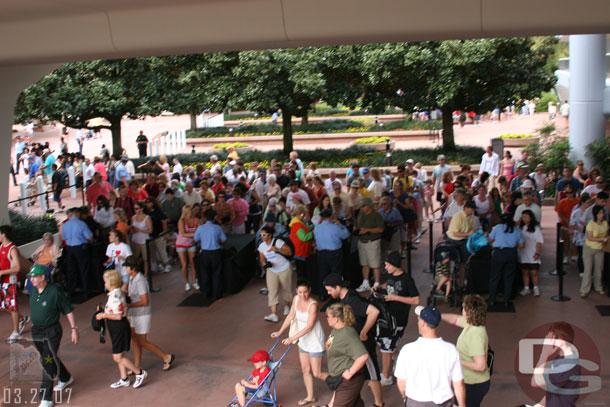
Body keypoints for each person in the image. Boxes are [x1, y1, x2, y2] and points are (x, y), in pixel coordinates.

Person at [324, 273, 383, 407]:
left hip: (362, 344)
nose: (328, 293)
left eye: (329, 290)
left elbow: (374, 311)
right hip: (352, 345)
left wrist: (363, 332)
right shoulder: (345, 299)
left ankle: (379, 404)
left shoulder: (352, 301)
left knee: (372, 375)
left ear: (338, 287)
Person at [28, 265, 78, 407]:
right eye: (31, 277)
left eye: (34, 277)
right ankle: (65, 377)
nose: (31, 279)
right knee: (50, 357)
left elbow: (68, 310)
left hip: (51, 331)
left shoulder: (54, 291)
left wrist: (74, 329)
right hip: (36, 331)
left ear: (42, 277)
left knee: (47, 362)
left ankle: (46, 398)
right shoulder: (33, 290)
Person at [395, 305, 465, 407]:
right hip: (443, 402)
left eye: (419, 319)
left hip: (415, 402)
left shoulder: (407, 350)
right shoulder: (451, 350)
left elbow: (401, 382)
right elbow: (459, 384)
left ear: (423, 323)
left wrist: (404, 396)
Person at [271, 280, 326, 406]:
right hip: (303, 339)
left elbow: (309, 327)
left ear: (309, 290)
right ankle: (310, 396)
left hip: (314, 339)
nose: (303, 295)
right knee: (305, 369)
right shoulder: (296, 299)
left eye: (305, 292)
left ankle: (339, 383)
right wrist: (280, 332)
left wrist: (291, 338)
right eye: (300, 292)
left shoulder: (313, 304)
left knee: (317, 372)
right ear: (296, 291)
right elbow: (290, 316)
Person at [372, 251, 420, 386]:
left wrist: (395, 298)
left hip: (398, 319)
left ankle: (386, 376)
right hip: (387, 316)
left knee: (386, 345)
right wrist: (379, 287)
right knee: (380, 341)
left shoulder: (407, 280)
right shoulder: (391, 275)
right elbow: (388, 284)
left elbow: (416, 300)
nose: (385, 268)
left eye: (388, 265)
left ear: (395, 265)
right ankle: (396, 357)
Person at [96, 269, 148, 389]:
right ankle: (123, 378)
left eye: (106, 282)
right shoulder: (119, 292)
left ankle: (139, 373)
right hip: (119, 327)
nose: (105, 284)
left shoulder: (114, 296)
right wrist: (105, 309)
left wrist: (103, 315)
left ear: (111, 283)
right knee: (120, 353)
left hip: (118, 327)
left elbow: (118, 315)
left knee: (117, 357)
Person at [123, 257, 174, 373]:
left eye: (127, 266)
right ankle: (137, 365)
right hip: (134, 314)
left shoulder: (140, 281)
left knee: (141, 341)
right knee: (135, 340)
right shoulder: (132, 278)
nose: (125, 268)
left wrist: (129, 305)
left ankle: (166, 357)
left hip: (142, 314)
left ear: (133, 268)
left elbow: (144, 301)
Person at [440, 295, 490, 407]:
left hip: (474, 384)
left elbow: (480, 366)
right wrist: (439, 316)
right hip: (470, 381)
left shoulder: (475, 335)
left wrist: (456, 360)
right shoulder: (471, 323)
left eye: (464, 308)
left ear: (468, 312)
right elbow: (455, 319)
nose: (461, 310)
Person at [322, 303, 370, 407]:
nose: (326, 318)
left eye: (328, 316)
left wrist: (350, 372)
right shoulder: (336, 330)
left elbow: (363, 356)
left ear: (335, 319)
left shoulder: (347, 333)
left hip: (349, 382)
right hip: (340, 380)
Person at [530, 322, 580, 407]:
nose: (546, 342)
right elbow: (553, 389)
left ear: (561, 341)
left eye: (550, 338)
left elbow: (535, 382)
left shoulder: (566, 366)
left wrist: (544, 354)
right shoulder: (562, 359)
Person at [487, 213, 525, 307]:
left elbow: (490, 240)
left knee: (495, 277)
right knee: (509, 277)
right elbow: (522, 245)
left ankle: (492, 299)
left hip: (499, 253)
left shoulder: (498, 228)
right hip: (511, 253)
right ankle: (506, 300)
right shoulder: (516, 229)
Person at [313, 208, 350, 300]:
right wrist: (340, 224)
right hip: (334, 254)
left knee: (323, 273)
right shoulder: (335, 227)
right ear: (331, 217)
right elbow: (346, 235)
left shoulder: (317, 227)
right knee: (336, 273)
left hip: (321, 253)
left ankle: (322, 294)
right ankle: (336, 294)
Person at [259, 225, 293, 323]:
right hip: (272, 270)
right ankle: (274, 314)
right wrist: (264, 264)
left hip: (284, 268)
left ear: (270, 235)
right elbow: (262, 258)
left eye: (264, 235)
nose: (262, 236)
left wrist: (278, 250)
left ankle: (287, 305)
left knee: (286, 288)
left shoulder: (278, 242)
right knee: (272, 291)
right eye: (261, 235)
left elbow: (289, 252)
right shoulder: (261, 246)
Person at [0, 225, 29, 342]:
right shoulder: (2, 247)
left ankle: (16, 332)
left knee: (12, 306)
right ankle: (22, 319)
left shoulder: (12, 249)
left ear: (3, 235)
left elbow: (17, 267)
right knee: (4, 306)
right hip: (4, 281)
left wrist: (2, 272)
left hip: (11, 282)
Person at [194, 209, 226, 300]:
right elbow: (223, 240)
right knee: (216, 273)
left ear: (204, 217)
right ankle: (216, 294)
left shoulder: (200, 228)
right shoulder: (217, 228)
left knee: (204, 273)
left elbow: (196, 239)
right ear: (215, 217)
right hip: (215, 252)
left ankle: (205, 293)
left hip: (204, 253)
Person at [354, 197, 385, 292]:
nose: (361, 208)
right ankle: (365, 282)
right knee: (364, 264)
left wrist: (367, 230)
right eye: (361, 206)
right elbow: (356, 224)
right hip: (361, 242)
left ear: (369, 206)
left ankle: (376, 283)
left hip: (372, 242)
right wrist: (355, 228)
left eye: (363, 206)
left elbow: (381, 229)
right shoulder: (360, 214)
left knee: (375, 264)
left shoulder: (376, 215)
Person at [61, 208, 93, 299]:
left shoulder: (65, 224)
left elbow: (63, 237)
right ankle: (87, 292)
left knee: (71, 270)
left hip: (69, 249)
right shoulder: (81, 224)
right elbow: (90, 237)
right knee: (84, 269)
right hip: (80, 248)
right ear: (78, 214)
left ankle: (71, 291)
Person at [580, 205, 608, 298]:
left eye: (602, 213)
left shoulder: (605, 224)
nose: (602, 215)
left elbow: (606, 234)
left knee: (599, 269)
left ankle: (598, 287)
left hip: (600, 249)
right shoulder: (591, 224)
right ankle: (584, 290)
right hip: (589, 248)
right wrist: (602, 239)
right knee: (588, 270)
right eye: (600, 213)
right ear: (595, 214)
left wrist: (606, 238)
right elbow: (590, 237)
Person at [518, 210, 543, 297]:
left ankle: (536, 288)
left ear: (530, 217)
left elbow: (539, 241)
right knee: (525, 272)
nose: (524, 218)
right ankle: (526, 288)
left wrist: (537, 253)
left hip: (532, 253)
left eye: (526, 216)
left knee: (534, 272)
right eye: (523, 216)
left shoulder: (536, 228)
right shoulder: (520, 228)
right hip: (523, 254)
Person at [176, 205, 200, 290]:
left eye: (191, 210)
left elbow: (200, 229)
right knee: (184, 264)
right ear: (185, 212)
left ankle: (194, 281)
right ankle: (186, 282)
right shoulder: (181, 221)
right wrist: (195, 234)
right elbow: (183, 233)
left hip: (191, 243)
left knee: (193, 263)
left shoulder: (196, 220)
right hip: (181, 244)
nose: (190, 212)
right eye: (188, 211)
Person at [570, 193, 593, 278]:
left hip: (589, 235)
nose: (589, 205)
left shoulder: (590, 212)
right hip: (580, 236)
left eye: (590, 203)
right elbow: (572, 224)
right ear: (582, 202)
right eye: (587, 203)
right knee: (581, 253)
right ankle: (581, 270)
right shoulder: (576, 213)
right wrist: (580, 229)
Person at [289, 205, 314, 281]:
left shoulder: (299, 222)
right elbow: (303, 237)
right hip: (301, 252)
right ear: (297, 214)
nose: (304, 216)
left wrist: (312, 226)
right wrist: (312, 233)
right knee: (302, 274)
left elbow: (305, 229)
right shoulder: (298, 225)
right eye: (302, 214)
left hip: (301, 252)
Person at [104, 228, 132, 293]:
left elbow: (131, 259)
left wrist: (123, 258)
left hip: (125, 271)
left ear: (117, 238)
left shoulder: (125, 247)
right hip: (115, 271)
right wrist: (107, 263)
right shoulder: (110, 246)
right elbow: (110, 258)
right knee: (118, 289)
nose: (109, 237)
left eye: (111, 236)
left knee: (123, 289)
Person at [130, 201, 152, 277]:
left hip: (143, 240)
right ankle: (137, 273)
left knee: (145, 259)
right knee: (135, 258)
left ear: (141, 209)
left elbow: (150, 230)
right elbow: (131, 227)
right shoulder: (133, 217)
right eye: (134, 209)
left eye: (136, 209)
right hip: (135, 240)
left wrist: (139, 230)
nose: (135, 210)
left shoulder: (147, 218)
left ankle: (146, 274)